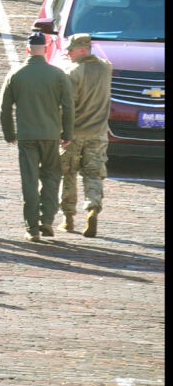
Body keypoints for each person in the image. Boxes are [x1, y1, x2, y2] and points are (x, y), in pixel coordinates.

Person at [0, 30, 75, 242]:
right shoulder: (58, 75)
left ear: (27, 49)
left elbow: (4, 108)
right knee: (51, 176)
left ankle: (32, 228)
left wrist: (9, 133)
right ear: (46, 49)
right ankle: (47, 219)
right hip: (51, 135)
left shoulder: (16, 74)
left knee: (29, 181)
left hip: (26, 136)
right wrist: (67, 132)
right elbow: (68, 106)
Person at [60, 33, 112, 237]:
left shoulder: (72, 72)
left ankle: (68, 218)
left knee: (68, 174)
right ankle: (92, 208)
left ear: (82, 49)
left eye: (71, 50)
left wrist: (63, 132)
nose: (68, 54)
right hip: (99, 133)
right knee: (94, 174)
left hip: (74, 133)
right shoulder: (106, 68)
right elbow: (105, 60)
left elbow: (67, 106)